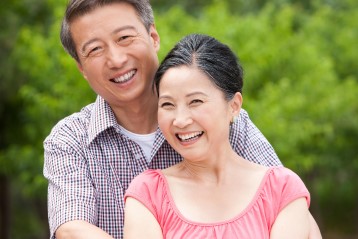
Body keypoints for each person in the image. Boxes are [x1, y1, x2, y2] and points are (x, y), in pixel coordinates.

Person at [43, 0, 321, 238]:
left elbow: (286, 202)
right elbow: (71, 229)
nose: (116, 59)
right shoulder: (70, 138)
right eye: (95, 50)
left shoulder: (222, 120)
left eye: (124, 38)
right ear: (81, 67)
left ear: (153, 37)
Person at [123, 33, 312, 238]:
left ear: (234, 105)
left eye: (195, 101)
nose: (180, 120)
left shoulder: (281, 188)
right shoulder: (148, 193)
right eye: (167, 104)